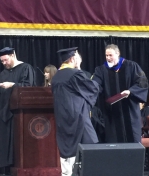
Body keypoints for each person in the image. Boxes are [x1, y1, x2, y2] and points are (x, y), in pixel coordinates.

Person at [51, 47, 99, 176]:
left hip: (62, 119)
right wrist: (79, 67)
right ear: (73, 58)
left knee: (67, 149)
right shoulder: (75, 74)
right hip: (78, 117)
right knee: (90, 145)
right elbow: (92, 88)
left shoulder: (56, 77)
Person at [92, 44, 149, 143]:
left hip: (130, 111)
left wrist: (130, 91)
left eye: (110, 55)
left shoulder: (132, 66)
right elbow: (95, 85)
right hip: (112, 114)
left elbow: (142, 83)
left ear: (117, 53)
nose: (108, 58)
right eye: (106, 55)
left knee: (133, 140)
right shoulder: (101, 70)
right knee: (114, 141)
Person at [0, 47, 36, 174]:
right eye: (2, 61)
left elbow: (29, 87)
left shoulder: (26, 68)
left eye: (6, 60)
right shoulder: (2, 74)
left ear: (13, 55)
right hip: (4, 114)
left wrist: (13, 85)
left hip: (20, 115)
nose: (4, 63)